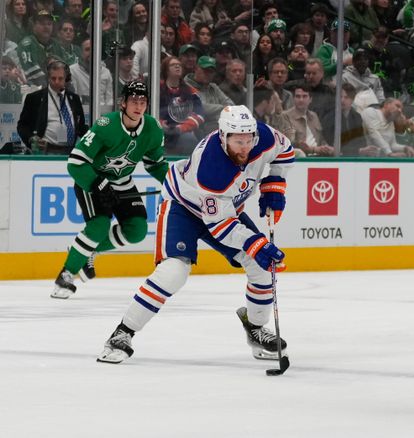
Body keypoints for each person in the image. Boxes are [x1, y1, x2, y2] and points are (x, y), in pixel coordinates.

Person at [96, 105, 295, 367]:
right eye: (238, 141)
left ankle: (255, 328)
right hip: (184, 208)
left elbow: (286, 151)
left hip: (225, 210)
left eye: (248, 140)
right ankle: (122, 333)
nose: (245, 147)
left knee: (261, 266)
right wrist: (256, 244)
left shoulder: (263, 137)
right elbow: (219, 226)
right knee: (174, 272)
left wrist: (274, 186)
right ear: (223, 136)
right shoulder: (211, 167)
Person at [51, 81, 167, 299]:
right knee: (99, 226)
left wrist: (173, 184)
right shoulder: (106, 125)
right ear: (122, 103)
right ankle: (67, 274)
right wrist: (96, 183)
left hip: (122, 182)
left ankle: (89, 251)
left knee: (137, 230)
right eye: (133, 101)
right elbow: (76, 162)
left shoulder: (152, 129)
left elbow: (156, 164)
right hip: (92, 179)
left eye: (143, 102)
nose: (138, 106)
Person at [17, 60, 87, 155]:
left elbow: (81, 127)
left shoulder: (74, 99)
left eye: (60, 78)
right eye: (53, 78)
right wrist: (30, 138)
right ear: (48, 78)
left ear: (66, 78)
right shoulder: (34, 98)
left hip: (71, 151)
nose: (56, 82)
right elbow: (22, 125)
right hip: (45, 151)